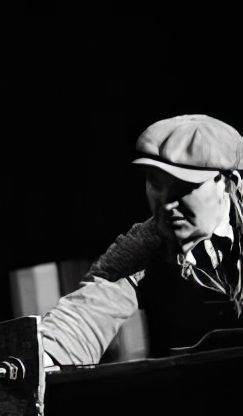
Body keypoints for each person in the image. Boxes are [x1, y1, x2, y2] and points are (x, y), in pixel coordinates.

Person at [40, 113, 243, 366]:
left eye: (183, 186)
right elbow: (96, 300)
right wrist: (44, 354)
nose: (167, 203)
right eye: (156, 184)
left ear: (228, 183)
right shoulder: (149, 241)